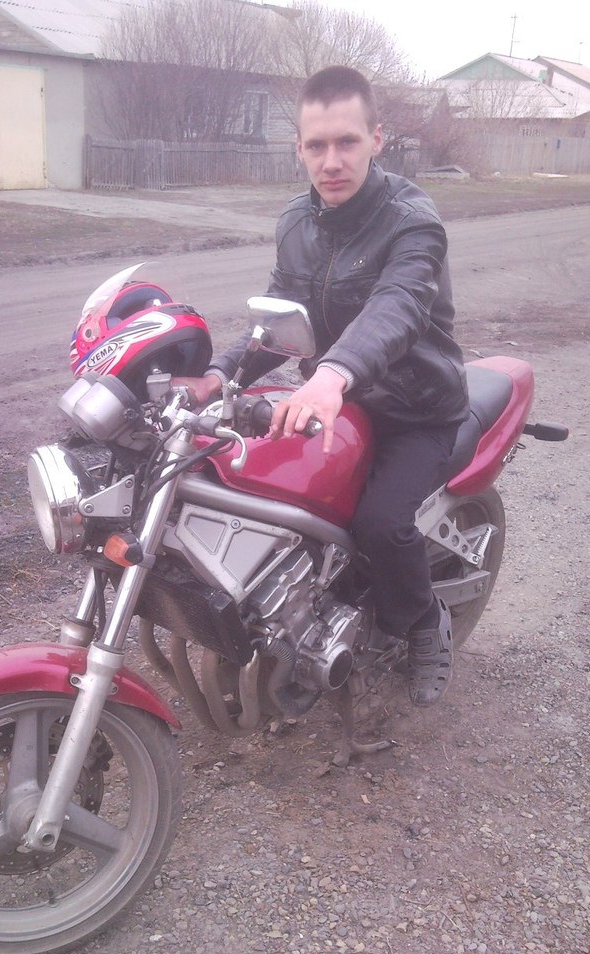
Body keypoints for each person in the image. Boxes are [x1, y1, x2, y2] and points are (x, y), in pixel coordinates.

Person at [176, 65, 469, 706]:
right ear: (299, 148)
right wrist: (219, 376)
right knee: (270, 500)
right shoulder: (297, 223)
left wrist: (332, 375)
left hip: (414, 407)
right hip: (336, 404)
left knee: (382, 523)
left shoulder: (413, 221)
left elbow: (397, 306)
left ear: (377, 139)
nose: (331, 161)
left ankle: (425, 621)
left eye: (346, 142)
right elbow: (279, 320)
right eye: (317, 145)